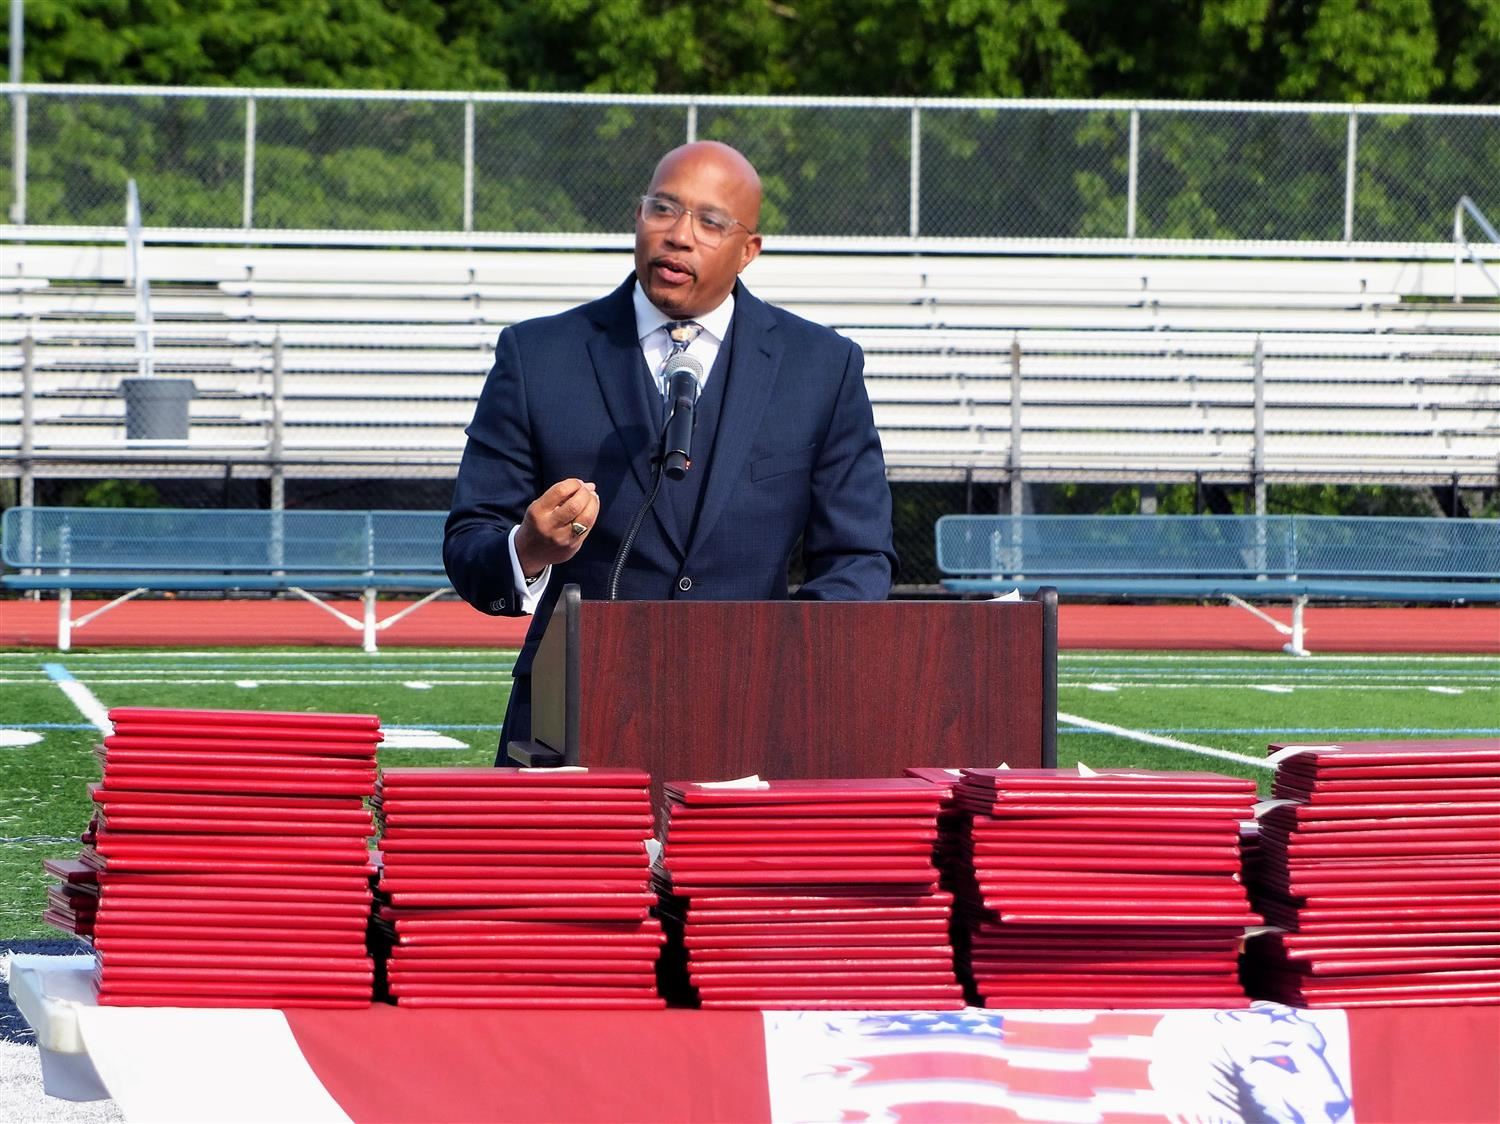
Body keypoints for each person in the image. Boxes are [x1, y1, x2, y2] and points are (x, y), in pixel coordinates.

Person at [444, 140, 897, 762]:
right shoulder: (537, 356)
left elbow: (858, 558)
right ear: (638, 217)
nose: (679, 236)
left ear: (749, 250)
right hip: (570, 721)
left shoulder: (821, 367)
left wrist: (785, 666)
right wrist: (527, 550)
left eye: (711, 222)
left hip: (759, 719)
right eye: (663, 209)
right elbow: (471, 538)